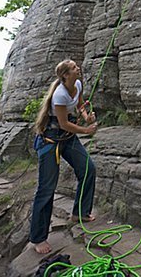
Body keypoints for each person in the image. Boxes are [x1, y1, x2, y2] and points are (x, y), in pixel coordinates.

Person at [29, 59, 98, 254]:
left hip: (67, 138)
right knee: (46, 188)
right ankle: (38, 237)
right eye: (74, 68)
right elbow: (63, 123)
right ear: (65, 75)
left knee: (88, 169)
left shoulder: (77, 84)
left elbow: (79, 106)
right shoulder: (59, 94)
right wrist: (86, 130)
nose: (79, 68)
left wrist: (86, 117)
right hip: (51, 140)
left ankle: (80, 213)